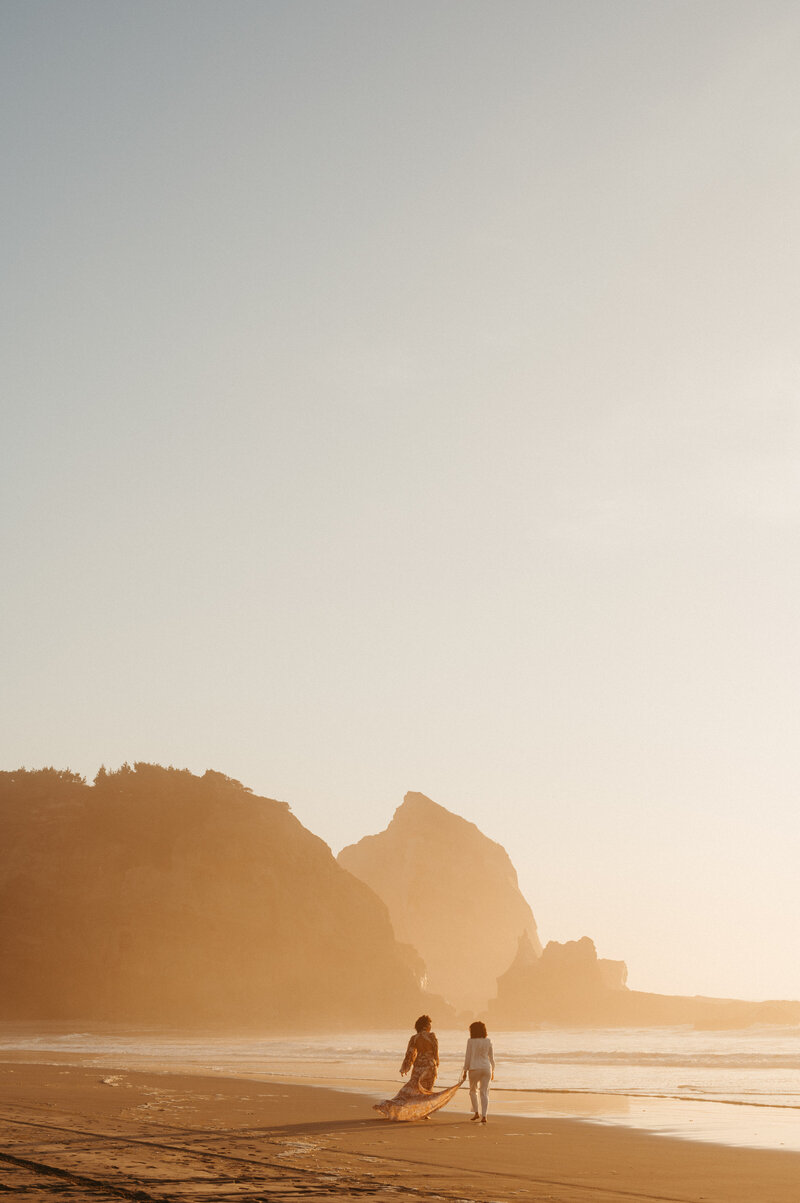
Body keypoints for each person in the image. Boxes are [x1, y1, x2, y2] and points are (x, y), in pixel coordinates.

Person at [373, 1015, 460, 1121]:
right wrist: (437, 1062)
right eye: (429, 1024)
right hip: (429, 1066)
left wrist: (405, 1067)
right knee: (427, 1090)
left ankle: (398, 1106)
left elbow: (409, 1054)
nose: (430, 1027)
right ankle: (424, 1113)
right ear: (426, 1025)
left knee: (412, 1089)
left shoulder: (414, 1038)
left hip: (418, 1065)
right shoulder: (432, 1036)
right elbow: (435, 1051)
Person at [460, 1020, 494, 1123]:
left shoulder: (470, 1041)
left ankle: (476, 1113)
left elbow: (468, 1056)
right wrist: (493, 1070)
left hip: (474, 1068)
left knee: (472, 1091)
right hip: (486, 1068)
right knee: (484, 1092)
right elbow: (491, 1057)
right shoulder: (488, 1041)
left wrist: (465, 1070)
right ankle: (484, 1116)